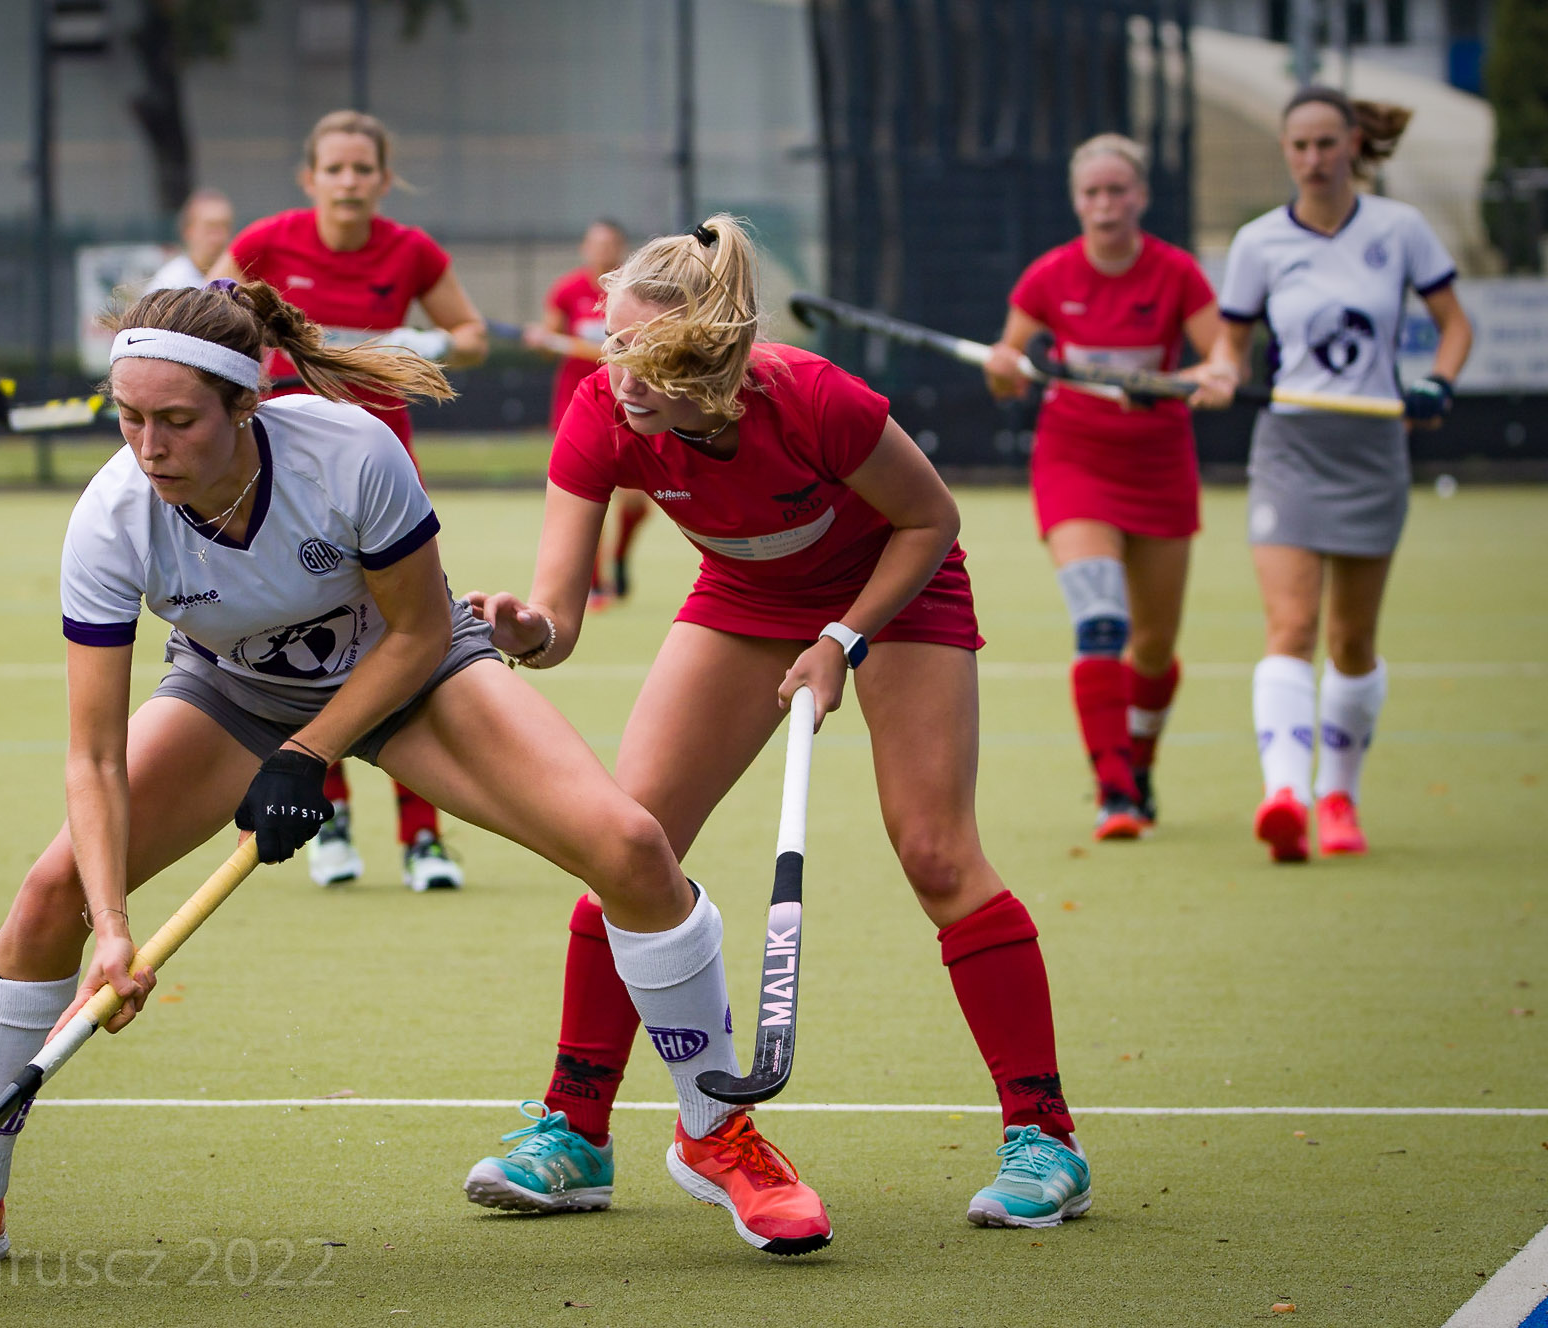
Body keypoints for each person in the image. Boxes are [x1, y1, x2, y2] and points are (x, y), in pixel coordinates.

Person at [0, 278, 829, 1267]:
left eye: (177, 421)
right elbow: (95, 753)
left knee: (630, 846)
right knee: (50, 896)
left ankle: (715, 1129)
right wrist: (113, 928)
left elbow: (418, 630)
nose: (149, 448)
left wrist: (309, 752)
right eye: (129, 419)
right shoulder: (112, 517)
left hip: (415, 674)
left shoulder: (347, 452)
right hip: (233, 691)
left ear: (245, 406)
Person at [463, 215, 1092, 1231]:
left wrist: (842, 637)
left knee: (936, 854)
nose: (618, 374)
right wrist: (524, 630)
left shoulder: (812, 398)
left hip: (896, 588)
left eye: (646, 353)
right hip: (745, 596)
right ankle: (574, 1130)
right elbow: (558, 622)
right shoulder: (602, 411)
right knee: (629, 842)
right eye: (611, 342)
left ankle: (1044, 1136)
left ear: (710, 356)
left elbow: (931, 519)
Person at [212, 109, 487, 892]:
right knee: (308, 641)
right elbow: (210, 320)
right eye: (334, 168)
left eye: (363, 168)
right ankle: (327, 815)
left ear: (384, 179)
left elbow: (471, 336)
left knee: (410, 639)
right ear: (310, 178)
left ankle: (423, 837)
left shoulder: (412, 251)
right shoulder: (267, 241)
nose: (349, 181)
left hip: (381, 476)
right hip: (285, 477)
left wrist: (426, 341)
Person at [1200, 88, 1473, 862]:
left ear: (1353, 143)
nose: (1313, 159)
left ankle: (1338, 797)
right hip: (1291, 447)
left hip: (1373, 448)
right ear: (1285, 152)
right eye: (1300, 146)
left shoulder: (1399, 229)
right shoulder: (1259, 242)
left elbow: (1456, 325)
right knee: (1291, 625)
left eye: (1327, 143)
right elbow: (1230, 345)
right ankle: (1284, 796)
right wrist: (1221, 372)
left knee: (1352, 640)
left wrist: (1438, 383)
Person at [982, 134, 1233, 839]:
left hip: (1159, 466)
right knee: (1100, 621)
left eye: (1117, 190)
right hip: (1075, 462)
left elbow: (1221, 359)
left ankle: (1141, 765)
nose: (1105, 204)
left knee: (1152, 648)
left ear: (1140, 196)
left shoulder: (1177, 274)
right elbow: (1009, 372)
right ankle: (1114, 791)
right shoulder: (1049, 276)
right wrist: (1003, 369)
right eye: (1092, 192)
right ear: (1076, 201)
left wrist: (1200, 380)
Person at [527, 218, 653, 604]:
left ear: (621, 248)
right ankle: (595, 583)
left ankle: (620, 558)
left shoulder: (639, 291)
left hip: (631, 399)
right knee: (587, 496)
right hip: (579, 404)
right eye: (595, 244)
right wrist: (543, 340)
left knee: (636, 500)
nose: (602, 251)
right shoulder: (567, 290)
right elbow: (551, 340)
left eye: (609, 244)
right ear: (585, 248)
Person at [143, 189, 236, 293]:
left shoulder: (240, 279)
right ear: (188, 230)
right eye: (210, 227)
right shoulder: (168, 284)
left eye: (224, 226)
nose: (217, 237)